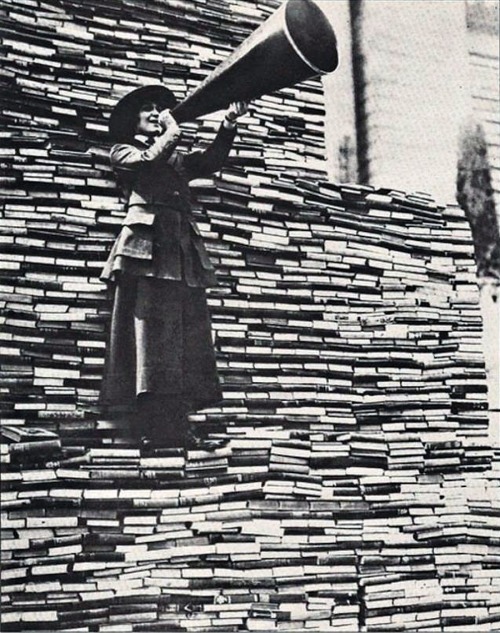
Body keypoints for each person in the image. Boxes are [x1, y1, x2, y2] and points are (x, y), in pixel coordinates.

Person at [100, 84, 248, 449]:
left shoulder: (173, 156)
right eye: (147, 109)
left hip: (179, 254)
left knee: (183, 339)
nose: (156, 114)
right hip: (144, 253)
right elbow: (147, 161)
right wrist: (172, 131)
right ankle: (152, 427)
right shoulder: (123, 151)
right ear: (131, 119)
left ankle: (178, 427)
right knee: (149, 341)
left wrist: (229, 123)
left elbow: (210, 161)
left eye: (160, 108)